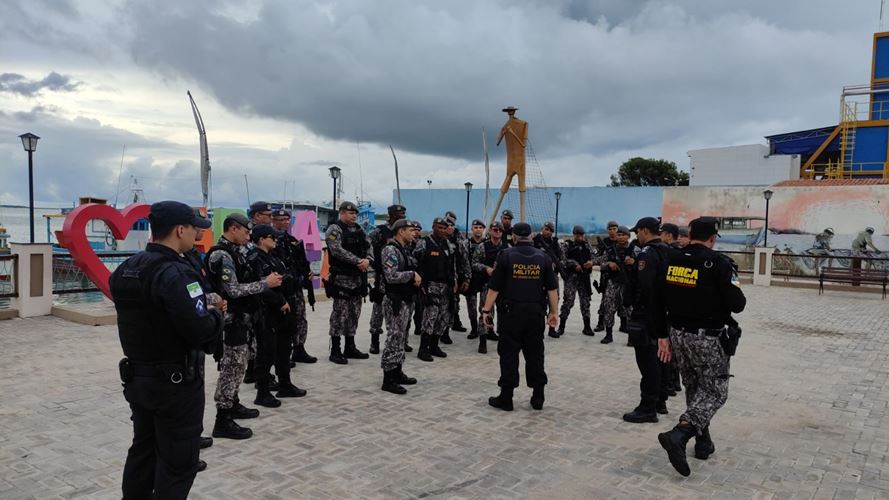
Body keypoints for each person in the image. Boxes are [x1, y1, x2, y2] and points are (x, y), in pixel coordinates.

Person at [111, 201, 224, 499]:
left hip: (138, 378)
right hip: (175, 385)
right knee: (178, 463)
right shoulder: (177, 274)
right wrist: (216, 314)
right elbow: (202, 331)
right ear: (180, 230)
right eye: (194, 229)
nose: (196, 235)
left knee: (143, 452)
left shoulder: (126, 268)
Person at [652, 216, 746, 477]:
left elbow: (657, 300)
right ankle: (680, 434)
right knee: (715, 392)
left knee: (695, 389)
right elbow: (738, 303)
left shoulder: (671, 259)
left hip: (677, 335)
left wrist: (662, 335)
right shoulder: (719, 263)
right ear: (713, 238)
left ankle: (702, 442)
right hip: (707, 338)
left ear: (690, 234)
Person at [205, 213, 281, 440]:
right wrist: (264, 284)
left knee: (238, 366)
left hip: (244, 318)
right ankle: (223, 419)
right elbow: (232, 290)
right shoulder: (222, 255)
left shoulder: (238, 252)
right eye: (246, 232)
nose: (249, 237)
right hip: (232, 321)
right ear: (233, 229)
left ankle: (234, 404)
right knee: (231, 367)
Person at [482, 222, 559, 411]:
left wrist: (486, 311)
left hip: (511, 314)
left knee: (508, 354)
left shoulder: (506, 256)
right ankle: (538, 396)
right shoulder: (544, 258)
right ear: (531, 236)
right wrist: (554, 312)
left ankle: (506, 398)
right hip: (535, 313)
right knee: (535, 354)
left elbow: (494, 288)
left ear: (513, 237)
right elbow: (552, 289)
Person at [251, 224, 307, 407]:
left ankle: (285, 384)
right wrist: (279, 301)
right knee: (266, 352)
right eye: (271, 237)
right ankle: (263, 391)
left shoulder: (273, 257)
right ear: (261, 239)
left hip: (284, 310)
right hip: (269, 312)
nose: (275, 240)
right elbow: (260, 288)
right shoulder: (254, 259)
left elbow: (283, 278)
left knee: (284, 348)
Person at [622, 217, 671, 423]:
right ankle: (660, 401)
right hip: (665, 313)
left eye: (637, 232)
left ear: (644, 230)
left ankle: (647, 406)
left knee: (647, 359)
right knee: (661, 357)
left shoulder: (647, 253)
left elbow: (645, 285)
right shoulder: (668, 250)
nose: (636, 236)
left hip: (647, 314)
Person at [324, 201, 373, 364]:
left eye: (355, 214)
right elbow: (336, 250)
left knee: (354, 313)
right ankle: (336, 350)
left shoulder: (359, 230)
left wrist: (368, 260)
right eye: (350, 213)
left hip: (358, 279)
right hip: (342, 279)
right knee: (339, 315)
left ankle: (350, 347)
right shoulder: (334, 229)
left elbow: (368, 246)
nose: (354, 216)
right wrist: (357, 261)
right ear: (342, 213)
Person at [379, 219, 422, 394]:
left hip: (405, 299)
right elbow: (391, 275)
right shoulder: (390, 249)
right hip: (395, 300)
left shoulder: (403, 249)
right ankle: (388, 378)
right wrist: (412, 274)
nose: (414, 233)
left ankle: (397, 371)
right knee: (394, 337)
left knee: (400, 337)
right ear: (401, 231)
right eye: (411, 230)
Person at [270, 209, 317, 364]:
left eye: (287, 219)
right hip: (281, 288)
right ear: (273, 220)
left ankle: (299, 348)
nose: (285, 222)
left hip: (296, 286)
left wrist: (306, 274)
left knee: (300, 318)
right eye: (281, 219)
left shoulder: (292, 240)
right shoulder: (270, 240)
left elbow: (300, 262)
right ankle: (283, 352)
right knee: (284, 321)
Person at [413, 217, 455, 361]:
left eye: (444, 228)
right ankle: (423, 349)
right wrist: (420, 284)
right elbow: (415, 263)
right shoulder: (424, 243)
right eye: (439, 228)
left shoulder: (447, 244)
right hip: (430, 285)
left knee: (443, 317)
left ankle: (434, 346)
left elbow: (452, 264)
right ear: (433, 227)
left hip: (445, 287)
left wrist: (453, 281)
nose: (442, 230)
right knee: (430, 317)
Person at [369, 205, 407, 355]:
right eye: (399, 214)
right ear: (390, 215)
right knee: (378, 309)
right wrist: (374, 262)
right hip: (382, 277)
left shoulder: (402, 231)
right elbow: (367, 245)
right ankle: (374, 341)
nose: (402, 216)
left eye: (403, 213)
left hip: (396, 276)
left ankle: (397, 341)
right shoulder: (380, 231)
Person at [471, 221, 510, 353]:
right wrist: (486, 268)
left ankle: (498, 335)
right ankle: (482, 340)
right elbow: (474, 263)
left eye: (499, 230)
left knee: (503, 311)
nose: (497, 232)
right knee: (485, 311)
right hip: (487, 284)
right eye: (494, 230)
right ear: (490, 231)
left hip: (503, 287)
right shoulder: (483, 247)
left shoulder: (507, 248)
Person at [595, 225, 632, 344]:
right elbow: (601, 263)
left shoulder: (634, 250)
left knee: (629, 310)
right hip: (612, 282)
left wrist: (633, 262)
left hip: (627, 284)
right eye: (619, 235)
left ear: (628, 236)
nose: (621, 237)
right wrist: (609, 264)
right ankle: (608, 335)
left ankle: (631, 337)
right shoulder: (610, 250)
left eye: (623, 235)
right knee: (609, 308)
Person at [556, 225, 594, 337]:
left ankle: (587, 327)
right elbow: (562, 260)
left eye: (582, 235)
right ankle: (561, 326)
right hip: (572, 277)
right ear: (574, 235)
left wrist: (591, 263)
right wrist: (574, 264)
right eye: (578, 235)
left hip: (584, 277)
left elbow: (594, 257)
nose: (580, 237)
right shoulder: (567, 245)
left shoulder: (587, 246)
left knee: (585, 302)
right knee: (568, 301)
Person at [444, 211, 471, 337]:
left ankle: (455, 322)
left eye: (452, 224)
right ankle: (444, 330)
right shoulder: (439, 236)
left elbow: (465, 258)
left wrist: (467, 277)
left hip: (457, 274)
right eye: (447, 223)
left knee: (455, 300)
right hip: (444, 275)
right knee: (446, 303)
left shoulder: (459, 237)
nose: (449, 226)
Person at [593, 221, 620, 333]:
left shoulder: (621, 242)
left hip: (620, 276)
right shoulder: (604, 243)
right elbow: (598, 258)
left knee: (622, 301)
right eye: (610, 229)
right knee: (605, 300)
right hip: (607, 275)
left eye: (614, 228)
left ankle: (624, 324)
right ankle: (601, 323)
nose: (612, 231)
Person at [465, 219, 487, 339]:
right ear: (472, 229)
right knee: (471, 306)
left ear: (483, 229)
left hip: (483, 279)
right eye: (476, 227)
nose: (478, 229)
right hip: (471, 279)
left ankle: (484, 328)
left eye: (480, 227)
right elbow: (464, 261)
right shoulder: (466, 243)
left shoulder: (487, 243)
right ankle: (474, 329)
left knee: (484, 306)